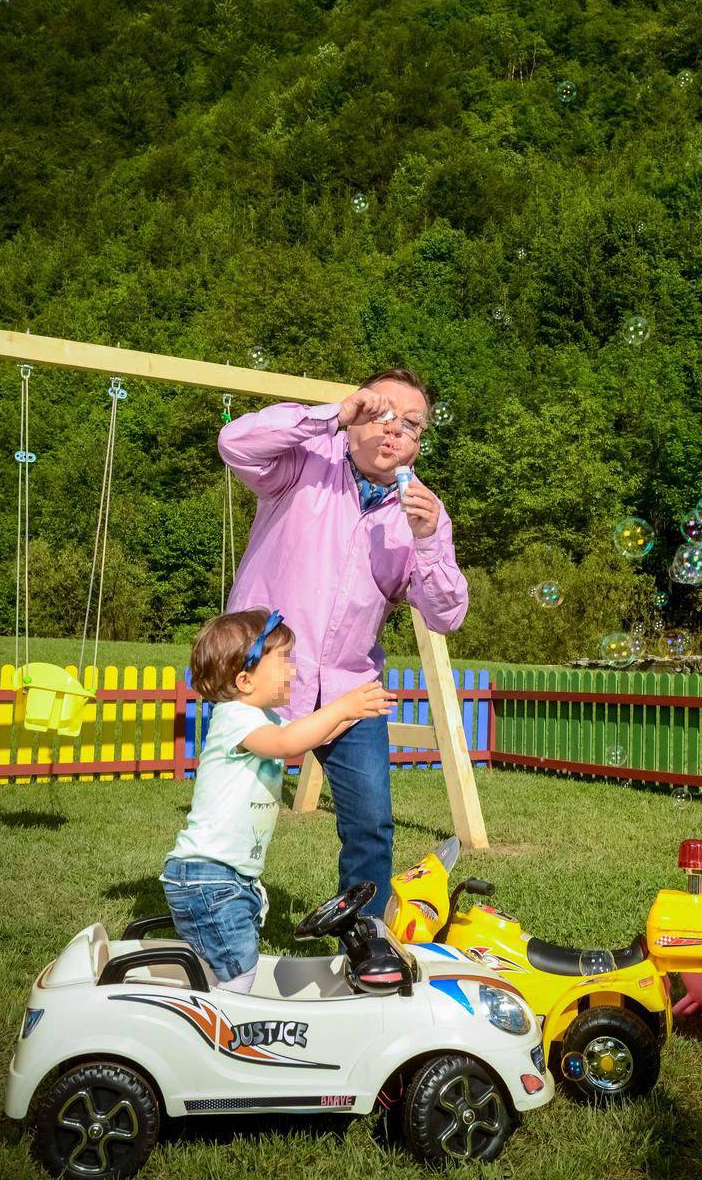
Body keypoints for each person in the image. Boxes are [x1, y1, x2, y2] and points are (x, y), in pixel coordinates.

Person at [218, 367, 468, 915]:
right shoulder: (302, 464)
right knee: (234, 813)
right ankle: (218, 915)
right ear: (354, 419)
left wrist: (425, 541)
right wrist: (330, 412)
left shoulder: (423, 513)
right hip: (261, 675)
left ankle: (365, 939)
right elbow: (233, 441)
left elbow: (447, 615)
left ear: (419, 442)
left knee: (371, 824)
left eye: (411, 424)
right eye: (382, 415)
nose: (394, 431)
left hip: (351, 688)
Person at [160, 607, 395, 993]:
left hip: (227, 879)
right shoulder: (235, 717)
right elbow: (288, 744)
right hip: (209, 877)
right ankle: (229, 1041)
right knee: (239, 975)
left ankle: (213, 1028)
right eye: (284, 660)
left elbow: (310, 736)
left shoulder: (261, 717)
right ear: (244, 679)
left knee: (228, 968)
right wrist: (343, 706)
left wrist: (355, 714)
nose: (293, 671)